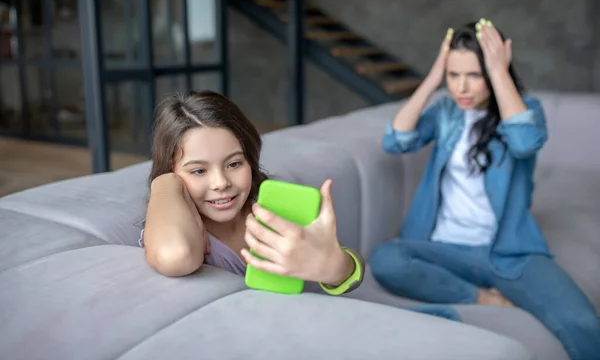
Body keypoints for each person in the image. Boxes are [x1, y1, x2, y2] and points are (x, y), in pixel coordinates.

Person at [369, 19, 600, 359]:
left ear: (493, 74)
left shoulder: (526, 111)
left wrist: (498, 69)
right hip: (444, 247)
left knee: (582, 323)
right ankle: (481, 297)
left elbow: (523, 142)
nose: (461, 88)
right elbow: (396, 140)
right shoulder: (447, 111)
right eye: (454, 75)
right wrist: (434, 76)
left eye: (474, 75)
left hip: (508, 253)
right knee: (387, 259)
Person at [140, 89, 364, 295]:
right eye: (198, 171)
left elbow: (354, 267)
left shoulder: (269, 204)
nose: (220, 183)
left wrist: (335, 266)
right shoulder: (170, 223)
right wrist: (163, 181)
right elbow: (175, 256)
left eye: (234, 164)